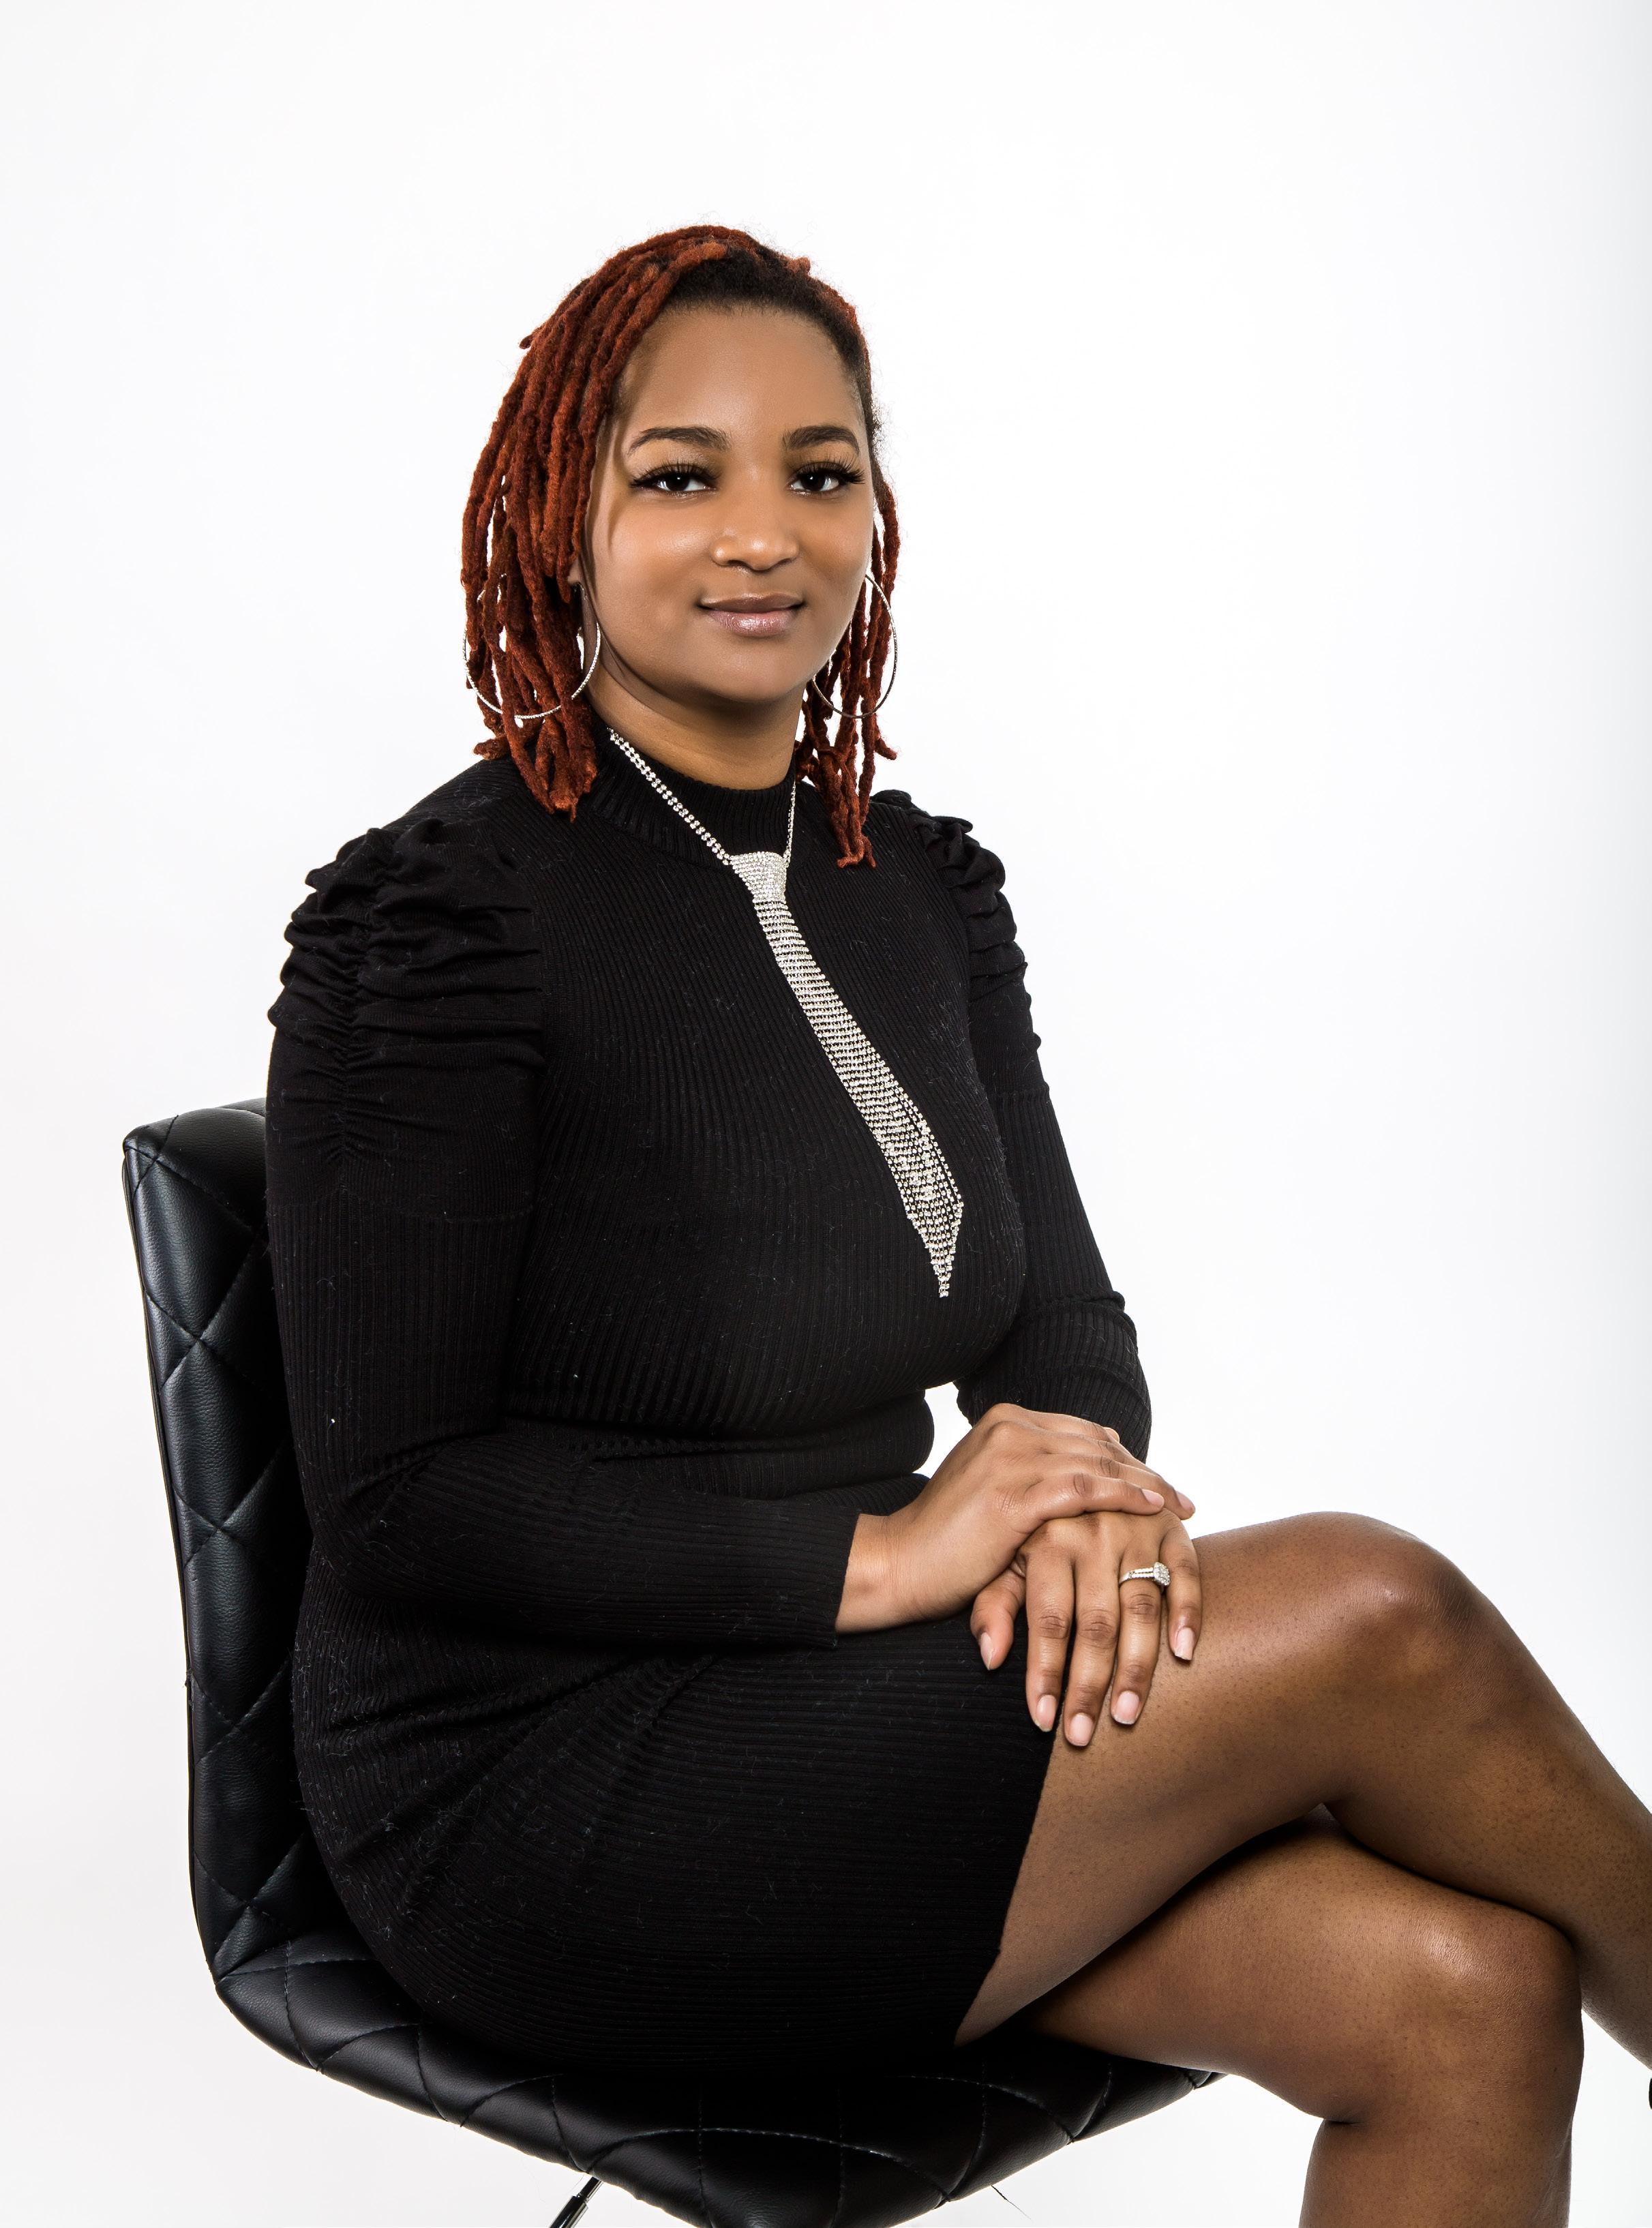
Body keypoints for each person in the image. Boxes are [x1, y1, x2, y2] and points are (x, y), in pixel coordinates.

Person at [265, 224, 1650, 2227]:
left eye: (820, 472)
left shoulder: (915, 886)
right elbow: (401, 1497)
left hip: (849, 1725)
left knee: (1472, 1994)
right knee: (1377, 1613)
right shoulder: (440, 918)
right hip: (536, 1789)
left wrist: (1071, 1501)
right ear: (561, 517)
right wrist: (887, 1554)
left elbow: (1055, 1317)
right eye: (682, 474)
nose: (765, 533)